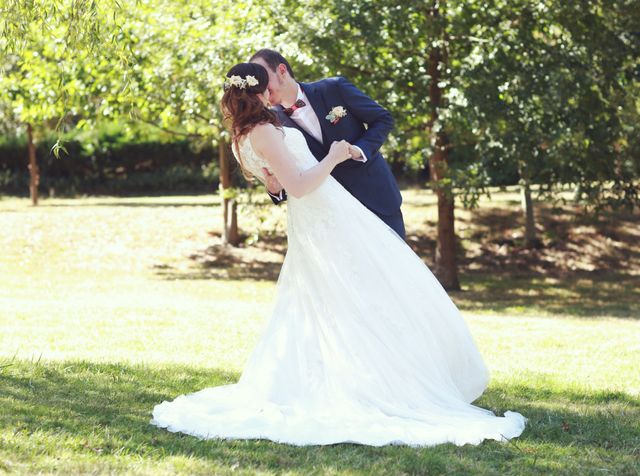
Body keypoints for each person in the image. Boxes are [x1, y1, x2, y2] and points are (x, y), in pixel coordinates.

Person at [150, 62, 527, 447]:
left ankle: (376, 376)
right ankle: (381, 387)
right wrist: (332, 157)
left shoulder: (242, 136)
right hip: (327, 215)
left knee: (351, 299)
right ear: (258, 92)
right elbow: (293, 186)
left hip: (334, 214)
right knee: (369, 297)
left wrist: (327, 162)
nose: (271, 96)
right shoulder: (266, 127)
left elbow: (278, 177)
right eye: (265, 91)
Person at [250, 48, 406, 240]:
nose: (260, 88)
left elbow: (383, 119)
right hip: (333, 216)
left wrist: (358, 150)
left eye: (263, 79)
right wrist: (275, 190)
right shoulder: (271, 124)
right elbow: (293, 177)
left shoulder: (334, 88)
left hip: (377, 199)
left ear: (282, 71)